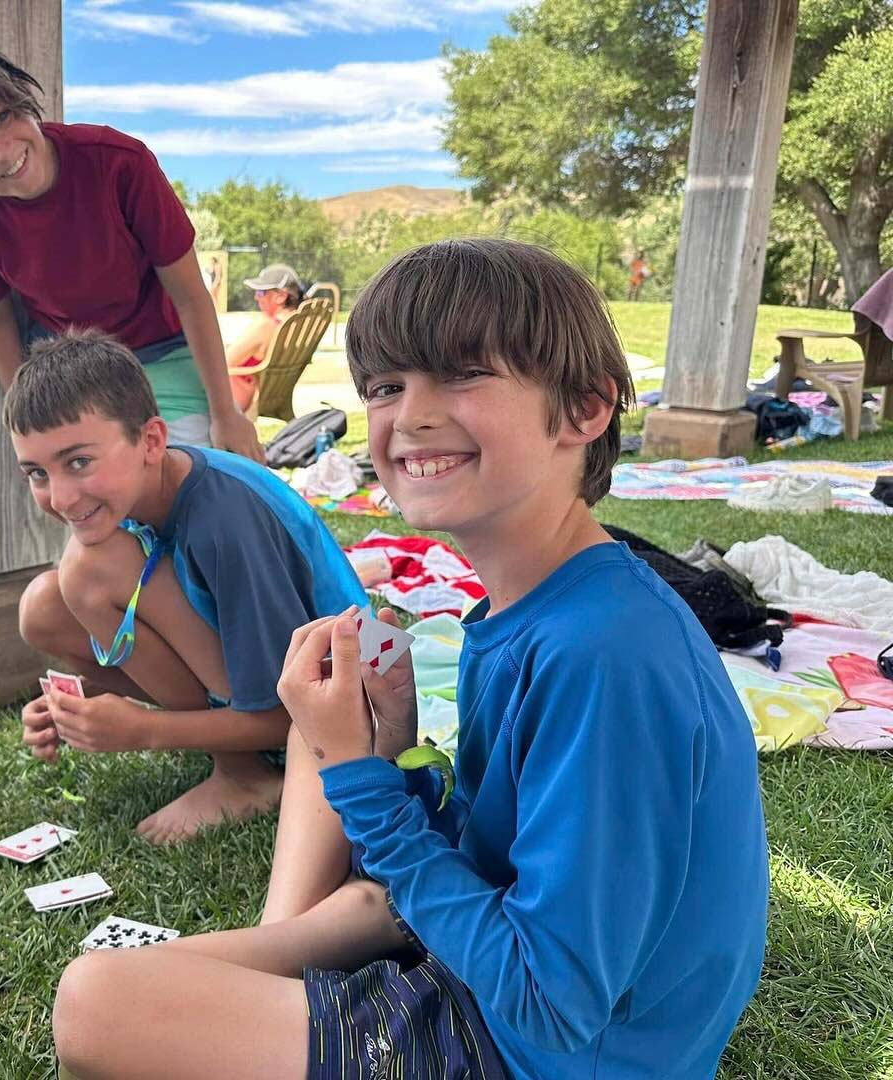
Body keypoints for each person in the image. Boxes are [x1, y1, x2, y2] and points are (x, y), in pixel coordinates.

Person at [50, 239, 769, 1080]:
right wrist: (386, 745)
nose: (411, 415)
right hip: (507, 977)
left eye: (461, 374)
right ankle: (334, 931)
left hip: (544, 1051)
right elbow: (507, 849)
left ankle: (337, 932)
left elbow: (552, 1003)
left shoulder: (602, 656)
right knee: (321, 730)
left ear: (584, 409)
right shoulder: (526, 607)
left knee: (96, 1003)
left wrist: (365, 781)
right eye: (388, 387)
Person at [8, 330, 365, 844]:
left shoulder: (223, 523)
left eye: (79, 462)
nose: (60, 496)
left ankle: (243, 775)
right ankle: (231, 757)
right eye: (37, 472)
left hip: (330, 715)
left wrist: (142, 730)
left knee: (88, 569)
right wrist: (82, 703)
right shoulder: (140, 492)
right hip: (258, 686)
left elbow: (288, 712)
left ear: (151, 440)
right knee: (43, 605)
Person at [0, 38, 262, 461]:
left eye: (3, 116)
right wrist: (25, 421)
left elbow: (191, 296)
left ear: (21, 95)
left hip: (162, 347)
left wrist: (225, 411)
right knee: (101, 496)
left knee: (200, 478)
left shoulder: (120, 163)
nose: (1, 151)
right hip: (67, 366)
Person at [226, 264, 304, 415]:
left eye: (261, 292)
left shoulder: (265, 326)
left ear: (281, 296)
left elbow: (223, 363)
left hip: (238, 397)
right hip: (273, 396)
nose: (256, 297)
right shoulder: (296, 326)